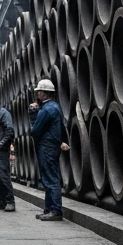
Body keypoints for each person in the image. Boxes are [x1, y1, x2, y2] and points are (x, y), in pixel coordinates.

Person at [29, 79, 69, 221]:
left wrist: (33, 113)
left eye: (39, 91)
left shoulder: (47, 109)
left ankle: (56, 211)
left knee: (51, 179)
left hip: (47, 147)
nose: (37, 94)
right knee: (48, 179)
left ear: (45, 93)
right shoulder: (54, 106)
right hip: (50, 146)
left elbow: (35, 130)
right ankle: (49, 209)